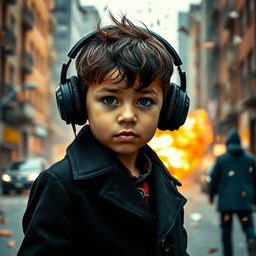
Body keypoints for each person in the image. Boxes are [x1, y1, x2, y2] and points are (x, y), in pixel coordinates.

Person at [17, 14, 190, 256]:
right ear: (79, 104)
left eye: (144, 101)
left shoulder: (164, 183)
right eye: (109, 99)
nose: (128, 115)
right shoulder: (61, 184)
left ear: (168, 109)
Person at [208, 128, 256, 256]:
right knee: (248, 227)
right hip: (244, 201)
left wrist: (211, 195)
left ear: (227, 143)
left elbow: (214, 179)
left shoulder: (222, 159)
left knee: (226, 231)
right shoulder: (250, 159)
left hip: (226, 202)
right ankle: (252, 241)